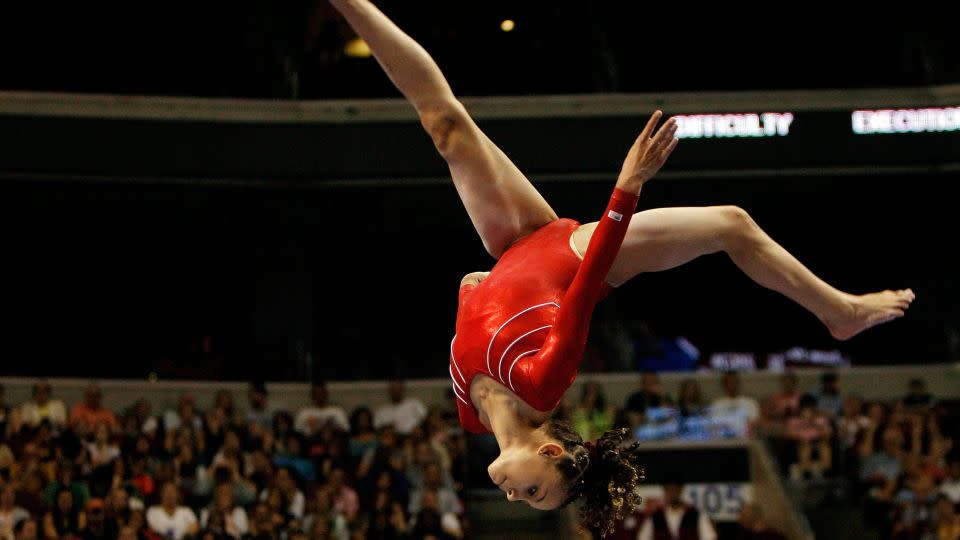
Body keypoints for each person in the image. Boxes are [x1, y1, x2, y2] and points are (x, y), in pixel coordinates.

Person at [328, 0, 914, 531]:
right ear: (551, 452)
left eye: (526, 499)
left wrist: (469, 291)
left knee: (445, 126)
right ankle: (839, 311)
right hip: (579, 254)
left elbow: (471, 316)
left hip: (516, 244)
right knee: (731, 223)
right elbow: (584, 287)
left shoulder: (468, 415)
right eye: (535, 491)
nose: (515, 496)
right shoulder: (542, 384)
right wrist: (626, 188)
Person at [637, 481, 717, 540]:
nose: (672, 494)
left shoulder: (695, 515)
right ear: (665, 491)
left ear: (680, 490)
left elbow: (710, 537)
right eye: (669, 490)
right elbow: (643, 537)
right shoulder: (655, 517)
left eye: (674, 490)